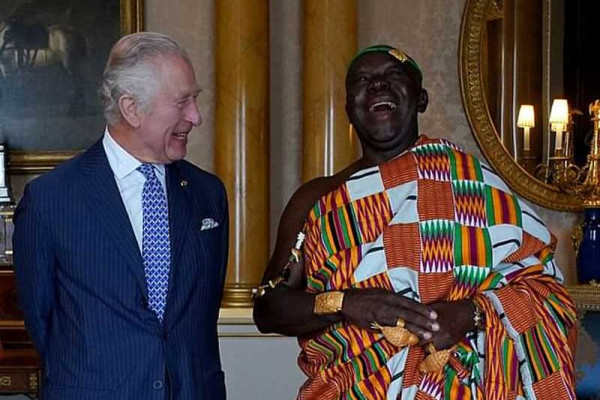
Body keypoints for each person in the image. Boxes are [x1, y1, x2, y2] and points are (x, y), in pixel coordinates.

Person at [253, 45, 577, 399]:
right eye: (362, 80)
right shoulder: (316, 198)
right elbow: (269, 308)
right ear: (349, 109)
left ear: (420, 99)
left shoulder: (472, 183)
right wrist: (346, 304)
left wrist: (470, 314)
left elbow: (546, 293)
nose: (377, 85)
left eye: (393, 76)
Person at [13, 32, 228, 400]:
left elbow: (202, 315)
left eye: (195, 99)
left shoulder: (208, 194)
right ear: (132, 108)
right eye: (182, 102)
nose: (196, 116)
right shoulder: (51, 199)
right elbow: (41, 317)